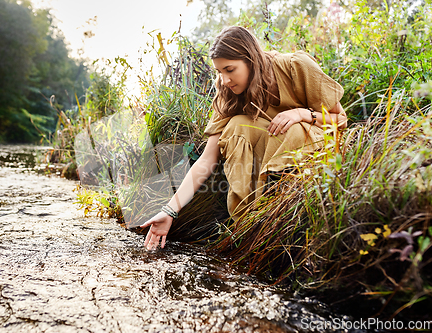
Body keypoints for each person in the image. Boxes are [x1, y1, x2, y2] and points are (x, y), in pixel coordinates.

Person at [140, 26, 347, 250]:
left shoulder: (295, 66)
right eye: (220, 71)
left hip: (316, 152)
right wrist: (170, 210)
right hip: (271, 149)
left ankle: (282, 208)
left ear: (251, 59)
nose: (225, 79)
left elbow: (341, 119)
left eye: (230, 69)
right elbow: (207, 159)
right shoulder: (227, 93)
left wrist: (302, 114)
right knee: (237, 126)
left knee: (292, 129)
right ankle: (249, 222)